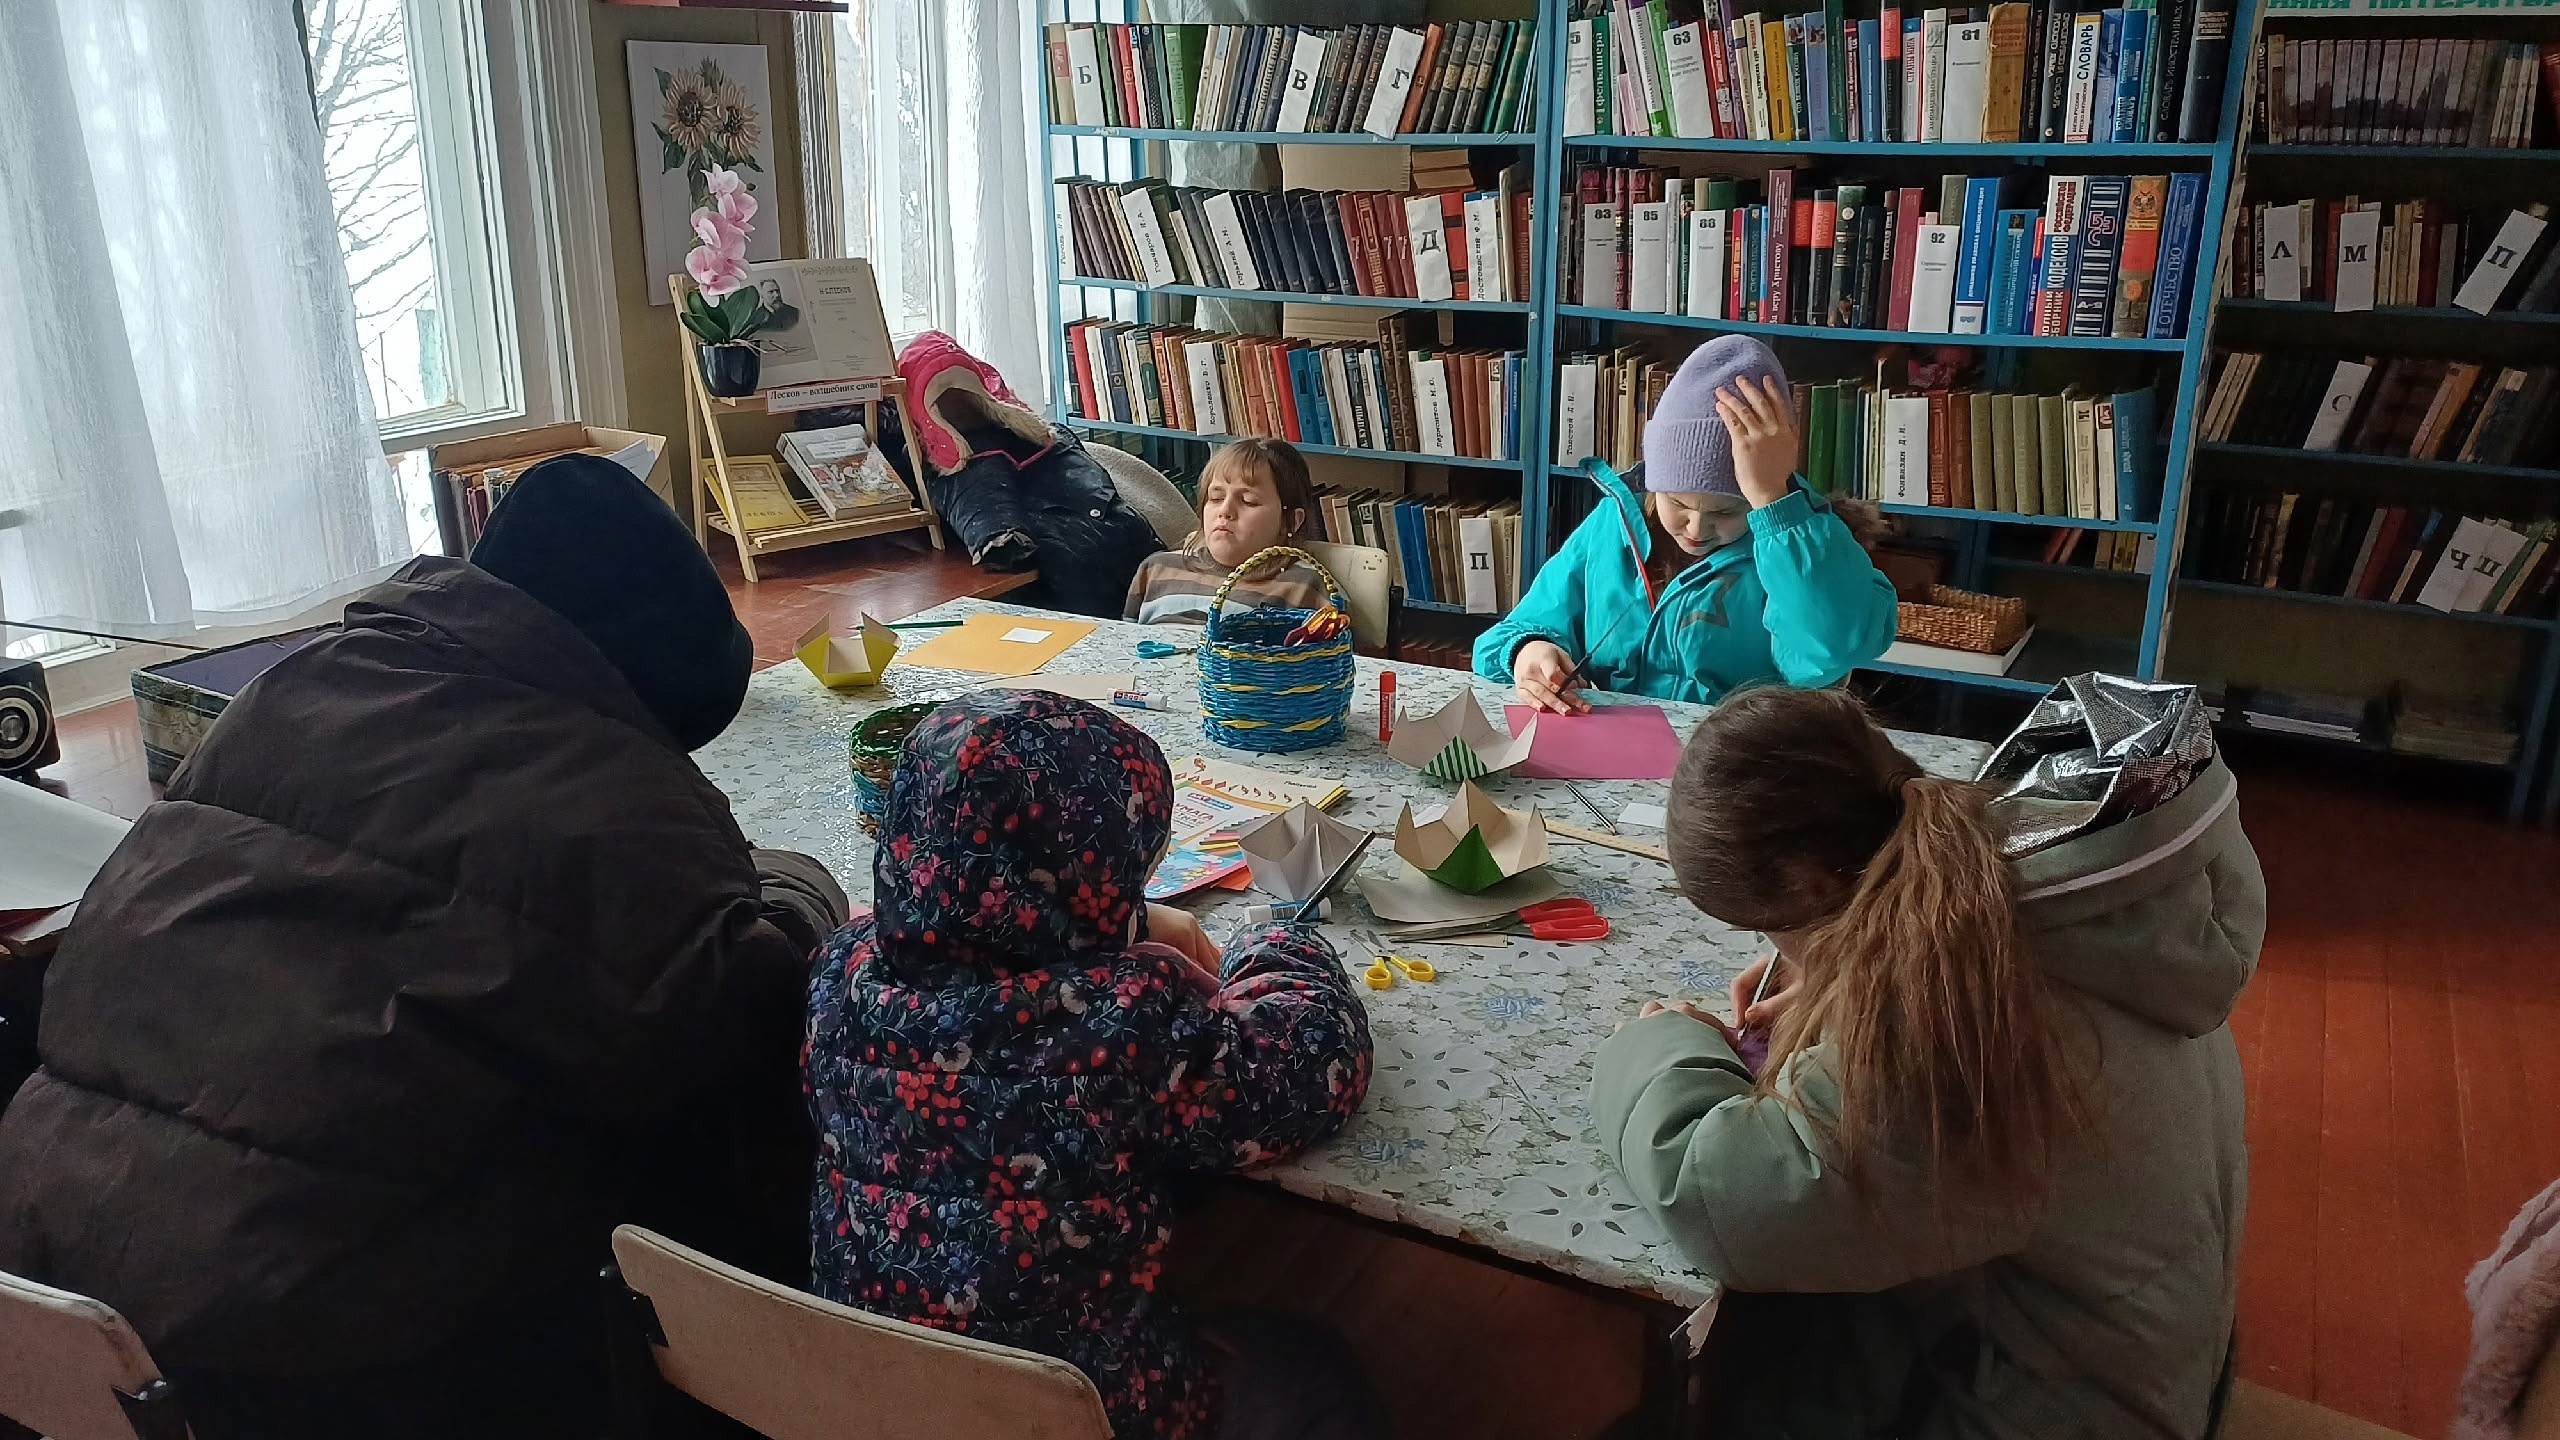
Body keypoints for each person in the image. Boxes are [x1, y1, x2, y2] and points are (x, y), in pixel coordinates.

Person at [0, 455, 846, 1440]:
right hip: (291, 1373)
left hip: (45, 1292)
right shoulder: (616, 809)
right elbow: (756, 1018)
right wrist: (795, 885)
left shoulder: (294, 685)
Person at [1592, 684, 2263, 1439]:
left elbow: (1726, 1200)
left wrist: (1661, 1041)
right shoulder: (2053, 895)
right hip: (2128, 1350)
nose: (1775, 954)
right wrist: (1843, 969)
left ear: (1812, 888)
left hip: (2062, 1411)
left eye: (1768, 928)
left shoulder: (1954, 1017)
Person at [805, 689, 1377, 1440]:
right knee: (1319, 1367)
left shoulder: (840, 975)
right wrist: (1275, 943)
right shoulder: (1119, 1023)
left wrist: (1121, 932)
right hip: (1073, 1416)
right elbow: (1314, 1064)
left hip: (869, 1393)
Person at [1474, 335, 1896, 710]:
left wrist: (1775, 503)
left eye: (1725, 512)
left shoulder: (1803, 542)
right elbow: (1513, 633)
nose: (1695, 529)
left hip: (1731, 758)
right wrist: (1529, 651)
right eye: (1676, 502)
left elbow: (1830, 650)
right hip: (1608, 751)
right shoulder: (1613, 525)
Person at [1124, 437, 1331, 625]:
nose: (1225, 510)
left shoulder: (1303, 587)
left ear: (1291, 521)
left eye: (1248, 501)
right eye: (1216, 498)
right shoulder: (1156, 569)